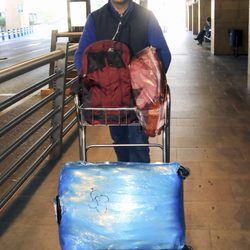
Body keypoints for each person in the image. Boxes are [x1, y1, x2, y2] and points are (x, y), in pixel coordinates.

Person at [74, 0, 171, 163]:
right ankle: (126, 181)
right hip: (111, 99)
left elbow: (163, 54)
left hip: (138, 99)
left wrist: (150, 87)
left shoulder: (146, 17)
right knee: (119, 141)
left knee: (138, 144)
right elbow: (80, 57)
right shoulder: (95, 19)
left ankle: (140, 185)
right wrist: (96, 84)